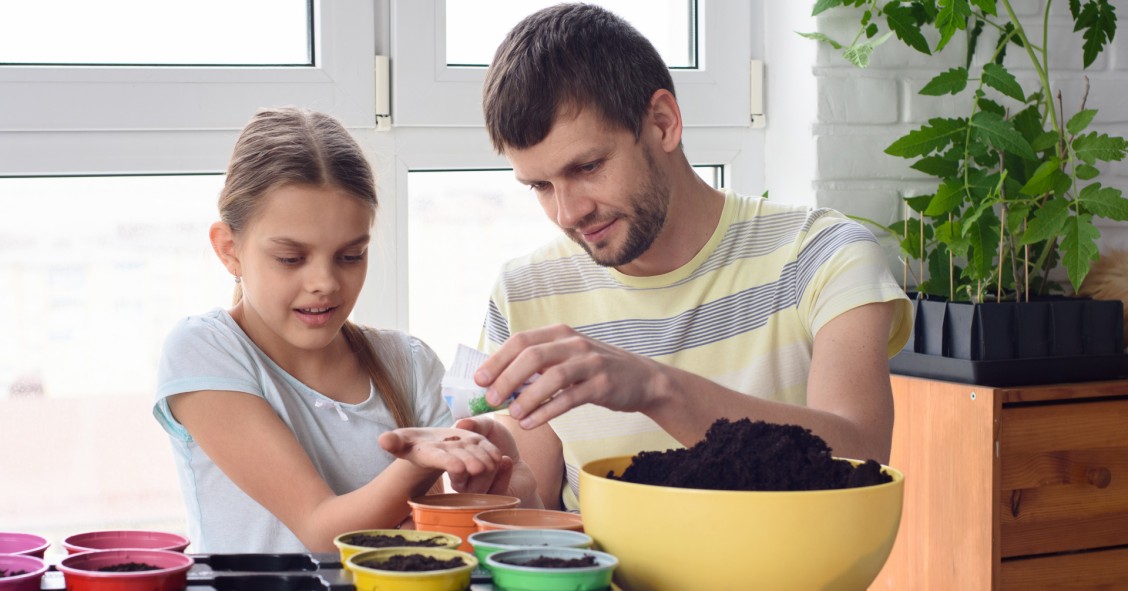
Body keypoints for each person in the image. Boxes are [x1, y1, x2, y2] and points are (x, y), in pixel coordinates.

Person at [473, 4, 914, 511]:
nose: (569, 212)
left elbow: (861, 461)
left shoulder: (821, 257)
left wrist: (658, 389)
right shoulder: (525, 293)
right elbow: (538, 513)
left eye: (588, 167)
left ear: (662, 123)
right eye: (540, 187)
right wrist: (496, 482)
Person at [152, 107, 534, 554]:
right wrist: (418, 462)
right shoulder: (204, 349)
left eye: (350, 256)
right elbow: (320, 530)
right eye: (291, 258)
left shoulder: (408, 362)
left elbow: (427, 547)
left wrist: (501, 474)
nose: (326, 283)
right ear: (229, 249)